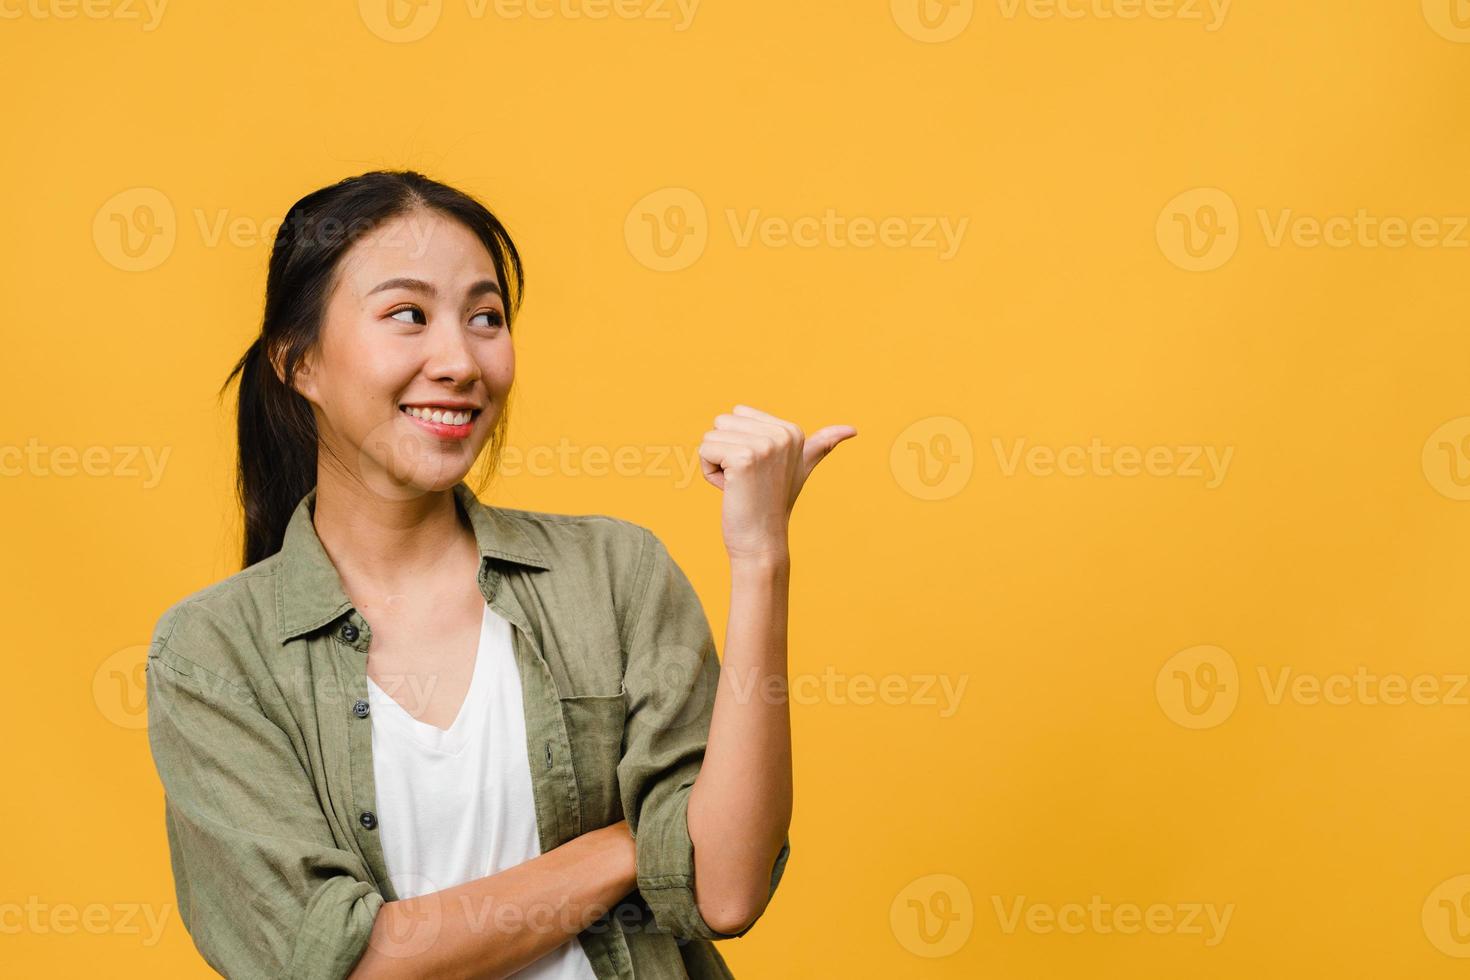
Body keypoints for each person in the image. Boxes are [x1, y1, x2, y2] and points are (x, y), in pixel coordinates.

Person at [144, 170, 857, 979]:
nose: (459, 360)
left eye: (485, 318)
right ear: (299, 361)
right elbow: (344, 965)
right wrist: (623, 850)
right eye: (407, 316)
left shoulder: (614, 576)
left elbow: (724, 889)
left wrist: (761, 558)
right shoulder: (213, 653)